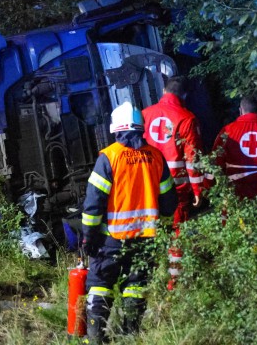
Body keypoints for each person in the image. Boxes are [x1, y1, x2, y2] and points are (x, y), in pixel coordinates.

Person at [81, 102, 177, 343]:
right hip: (145, 238)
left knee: (100, 284)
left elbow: (93, 204)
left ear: (116, 130)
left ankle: (97, 339)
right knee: (136, 285)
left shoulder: (109, 157)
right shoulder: (156, 157)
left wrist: (88, 237)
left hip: (111, 239)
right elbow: (168, 201)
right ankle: (129, 336)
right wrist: (162, 229)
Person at [142, 76, 205, 230]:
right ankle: (176, 254)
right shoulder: (187, 119)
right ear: (184, 95)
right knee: (178, 229)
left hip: (149, 179)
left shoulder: (144, 114)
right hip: (176, 184)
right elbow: (193, 158)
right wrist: (198, 189)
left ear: (163, 91)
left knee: (152, 228)